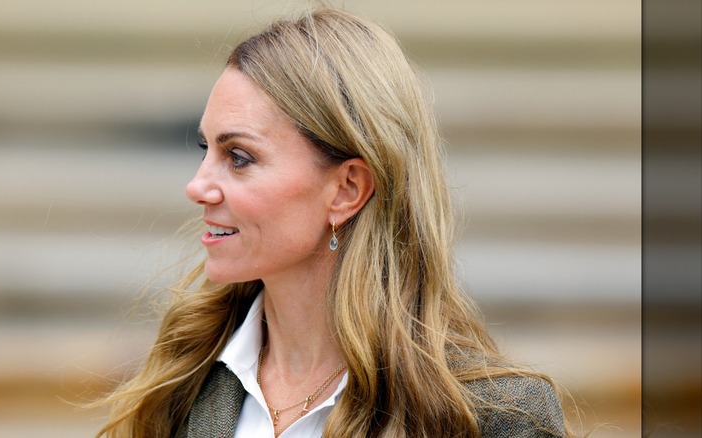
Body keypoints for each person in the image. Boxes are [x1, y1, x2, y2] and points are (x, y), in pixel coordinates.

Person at [97, 7, 575, 438]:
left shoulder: (493, 417)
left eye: (238, 157)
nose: (197, 186)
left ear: (347, 189)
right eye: (207, 150)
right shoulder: (183, 378)